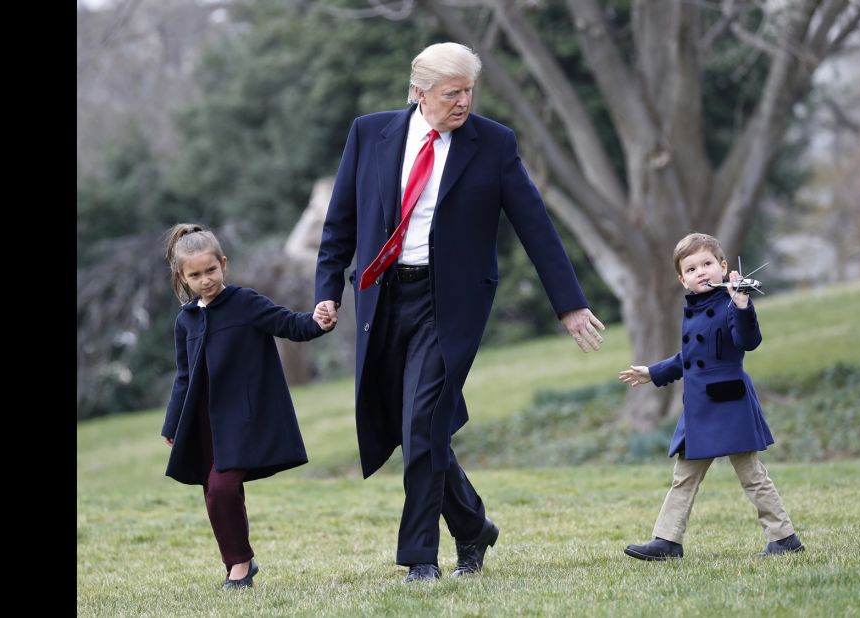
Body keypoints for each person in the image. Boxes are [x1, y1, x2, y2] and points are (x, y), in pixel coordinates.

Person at [313, 42, 605, 582]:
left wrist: (569, 305)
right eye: (452, 93)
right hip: (383, 297)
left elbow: (534, 225)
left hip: (449, 305)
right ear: (419, 93)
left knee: (423, 420)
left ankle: (420, 559)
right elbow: (341, 220)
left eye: (469, 91)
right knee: (411, 428)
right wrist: (327, 289)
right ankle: (473, 526)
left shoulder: (492, 143)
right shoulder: (369, 133)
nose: (464, 102)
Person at [160, 223, 334, 590]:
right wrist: (173, 424)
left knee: (222, 489)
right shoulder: (186, 320)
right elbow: (183, 377)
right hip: (204, 422)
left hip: (242, 419)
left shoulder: (245, 302)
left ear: (223, 263)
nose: (206, 279)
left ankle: (239, 566)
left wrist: (318, 322)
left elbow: (289, 324)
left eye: (211, 270)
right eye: (196, 274)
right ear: (182, 276)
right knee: (215, 493)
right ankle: (239, 561)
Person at [618, 232, 803, 560]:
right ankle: (667, 541)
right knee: (683, 476)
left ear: (723, 266)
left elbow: (748, 340)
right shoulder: (693, 309)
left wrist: (743, 304)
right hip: (699, 409)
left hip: (729, 403)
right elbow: (688, 359)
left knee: (752, 475)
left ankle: (783, 537)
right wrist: (652, 372)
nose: (700, 272)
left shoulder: (732, 303)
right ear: (682, 279)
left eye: (707, 264)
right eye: (691, 269)